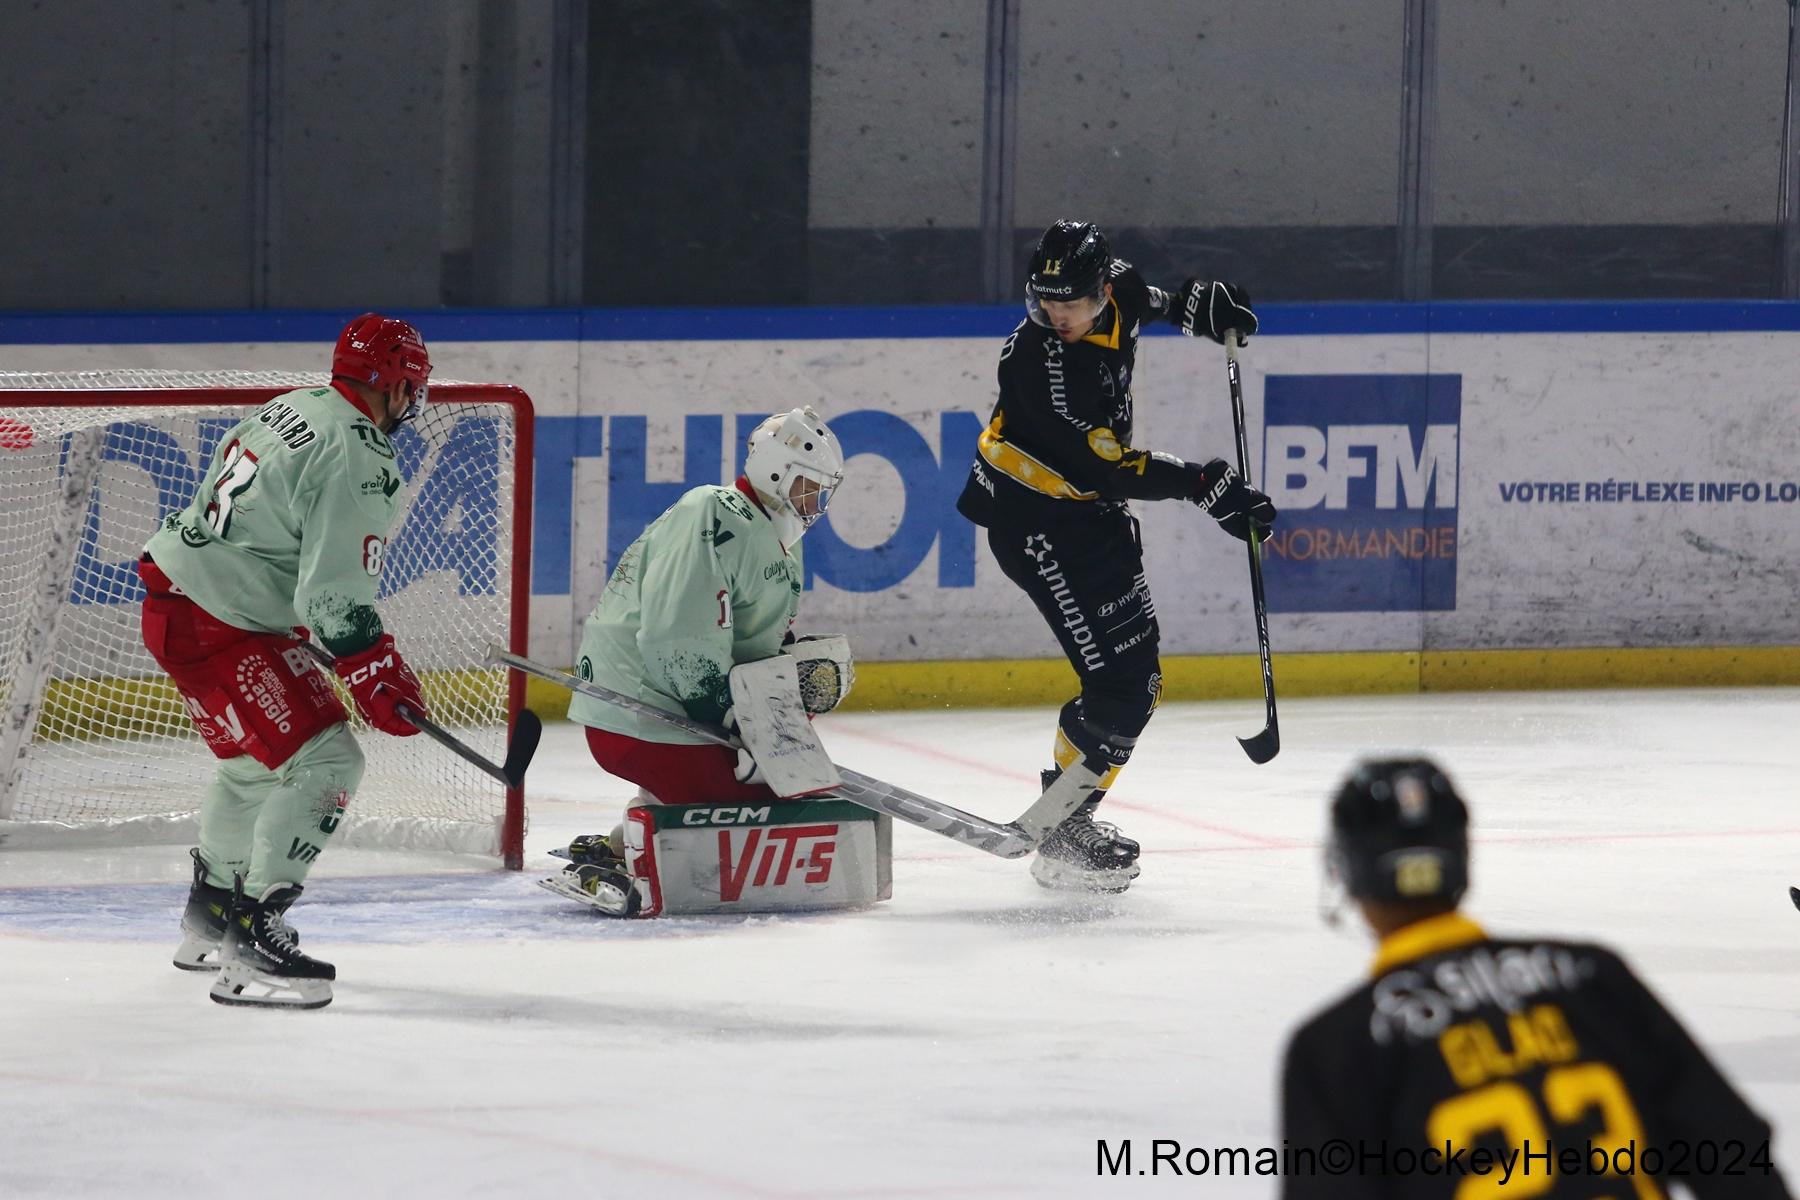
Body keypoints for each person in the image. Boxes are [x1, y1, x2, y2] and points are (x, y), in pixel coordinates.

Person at [1280, 757, 1792, 1199]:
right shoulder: (1594, 978)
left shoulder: (1336, 1049)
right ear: (1462, 859)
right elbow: (1736, 1155)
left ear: (1344, 872)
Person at [955, 219, 1276, 894]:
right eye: (1046, 301)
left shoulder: (1121, 288)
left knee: (1137, 683)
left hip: (1088, 517)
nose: (1057, 316)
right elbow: (1107, 467)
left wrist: (1197, 308)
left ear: (1101, 290)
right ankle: (1065, 829)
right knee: (1122, 688)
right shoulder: (1039, 364)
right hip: (1035, 522)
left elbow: (1154, 301)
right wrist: (1203, 485)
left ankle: (1067, 819)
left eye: (1071, 302)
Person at [143, 313, 432, 1009]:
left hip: (180, 603)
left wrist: (351, 653)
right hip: (223, 622)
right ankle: (253, 937)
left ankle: (213, 910)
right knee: (329, 760)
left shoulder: (293, 406)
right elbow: (331, 594)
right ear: (395, 383)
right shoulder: (360, 452)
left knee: (252, 767)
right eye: (413, 384)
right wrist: (372, 664)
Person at [553, 405, 861, 916]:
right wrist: (733, 717)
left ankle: (630, 839)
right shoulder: (712, 513)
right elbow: (678, 641)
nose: (814, 503)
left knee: (795, 794)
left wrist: (784, 684)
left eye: (821, 491)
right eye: (809, 486)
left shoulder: (781, 541)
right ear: (776, 472)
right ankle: (641, 843)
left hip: (677, 713)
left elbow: (752, 643)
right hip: (639, 714)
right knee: (774, 812)